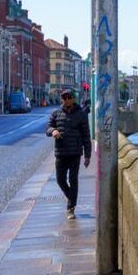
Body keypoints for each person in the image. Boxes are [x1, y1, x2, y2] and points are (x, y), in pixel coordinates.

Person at [46, 88, 91, 220]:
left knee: (73, 180)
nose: (67, 100)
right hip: (60, 152)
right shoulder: (56, 113)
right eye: (64, 98)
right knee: (60, 180)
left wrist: (87, 156)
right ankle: (71, 197)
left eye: (69, 97)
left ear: (73, 98)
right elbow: (47, 128)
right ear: (62, 99)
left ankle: (70, 208)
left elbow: (86, 136)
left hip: (75, 153)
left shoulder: (81, 114)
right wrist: (53, 131)